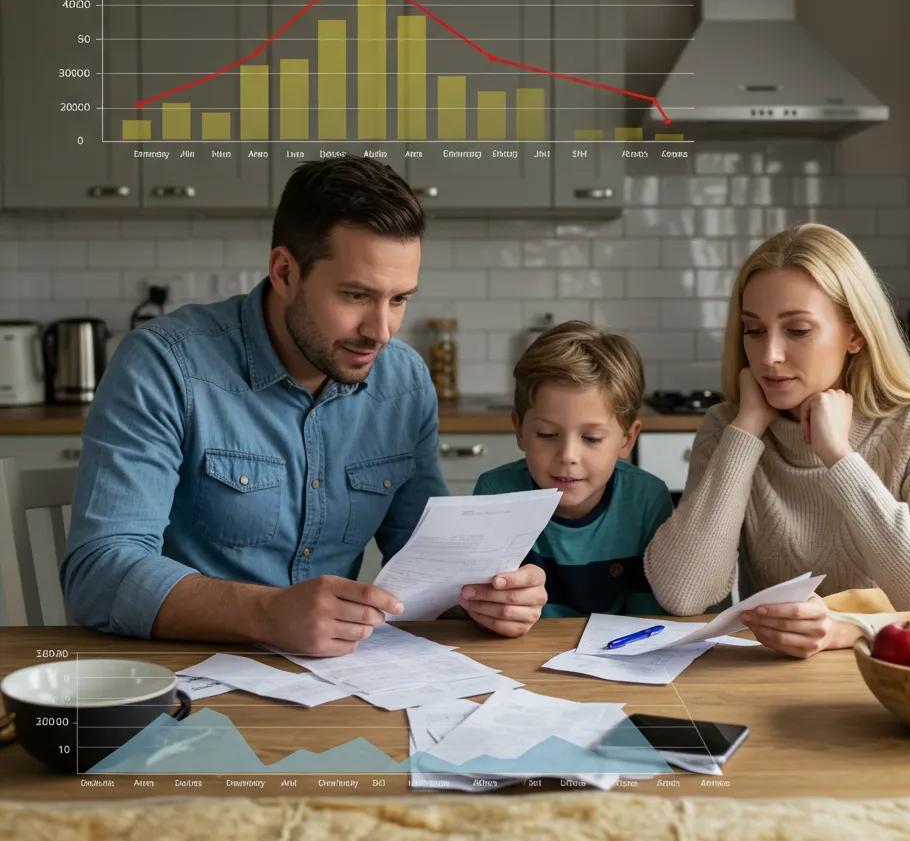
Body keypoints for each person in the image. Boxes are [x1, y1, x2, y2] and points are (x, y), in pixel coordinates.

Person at [60, 158, 546, 654]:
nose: (381, 330)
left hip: (344, 683)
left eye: (399, 299)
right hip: (185, 678)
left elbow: (424, 560)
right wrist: (268, 614)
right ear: (285, 272)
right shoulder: (165, 364)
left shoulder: (404, 381)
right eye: (356, 294)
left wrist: (486, 596)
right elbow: (97, 571)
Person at [644, 223, 910, 658]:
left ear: (855, 334)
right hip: (769, 678)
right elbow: (682, 593)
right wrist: (746, 430)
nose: (769, 357)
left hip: (891, 675)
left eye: (797, 330)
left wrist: (838, 456)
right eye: (754, 330)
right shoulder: (729, 427)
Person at [474, 321, 673, 617]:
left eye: (591, 438)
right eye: (547, 434)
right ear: (520, 430)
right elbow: (476, 606)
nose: (568, 456)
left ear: (627, 439)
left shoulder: (646, 500)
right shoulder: (496, 495)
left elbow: (649, 620)